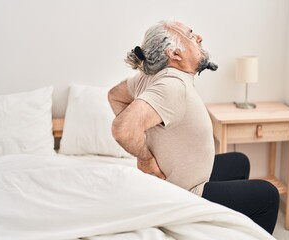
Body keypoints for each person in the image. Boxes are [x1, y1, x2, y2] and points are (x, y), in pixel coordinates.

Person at [107, 20, 279, 234]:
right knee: (268, 195)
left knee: (239, 162)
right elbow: (122, 129)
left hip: (188, 178)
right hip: (186, 192)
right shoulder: (172, 86)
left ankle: (225, 231)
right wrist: (147, 158)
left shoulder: (149, 76)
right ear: (175, 54)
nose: (199, 37)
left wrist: (151, 137)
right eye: (190, 35)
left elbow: (114, 95)